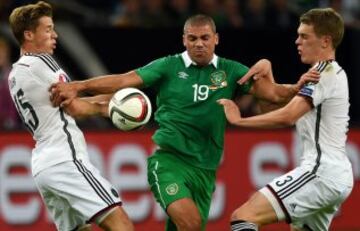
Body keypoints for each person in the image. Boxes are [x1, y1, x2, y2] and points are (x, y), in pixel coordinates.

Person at [50, 14, 318, 231]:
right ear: (184, 40)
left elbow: (272, 95)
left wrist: (296, 87)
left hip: (205, 171)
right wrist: (79, 86)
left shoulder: (231, 71)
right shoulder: (167, 67)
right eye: (192, 38)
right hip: (169, 162)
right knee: (189, 223)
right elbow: (123, 81)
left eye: (204, 38)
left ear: (216, 38)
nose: (199, 44)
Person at [218, 8, 353, 231]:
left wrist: (239, 120)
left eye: (304, 36)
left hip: (321, 172)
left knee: (243, 217)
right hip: (333, 175)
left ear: (325, 41)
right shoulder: (322, 75)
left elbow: (287, 116)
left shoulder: (323, 72)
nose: (297, 41)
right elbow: (271, 108)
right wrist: (268, 81)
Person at [8, 2, 134, 231]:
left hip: (43, 164)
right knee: (121, 224)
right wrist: (112, 105)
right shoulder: (42, 61)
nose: (55, 35)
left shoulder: (15, 73)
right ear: (28, 34)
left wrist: (108, 104)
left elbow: (61, 107)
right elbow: (74, 107)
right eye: (47, 29)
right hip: (64, 157)